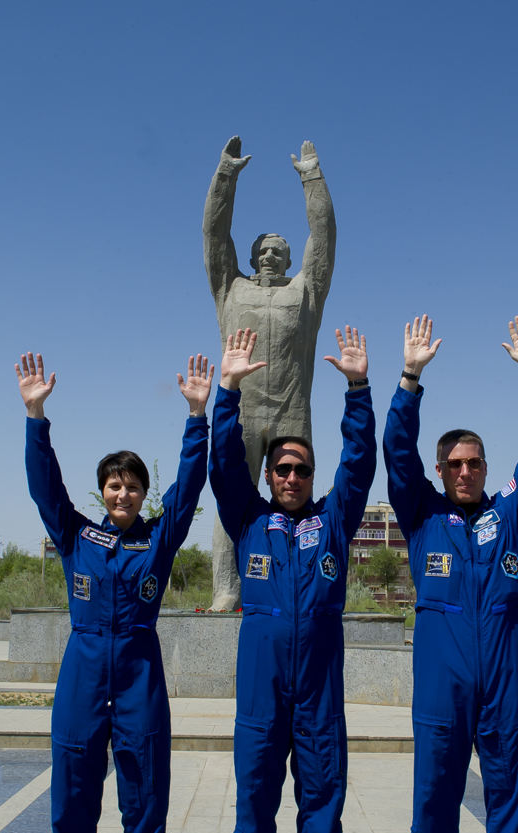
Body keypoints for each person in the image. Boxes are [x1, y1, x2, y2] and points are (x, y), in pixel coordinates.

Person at [15, 351, 213, 833]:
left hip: (139, 679)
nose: (122, 492)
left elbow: (190, 487)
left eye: (132, 485)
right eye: (113, 484)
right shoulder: (76, 534)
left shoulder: (158, 538)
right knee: (72, 805)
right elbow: (45, 487)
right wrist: (36, 417)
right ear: (102, 491)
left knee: (145, 806)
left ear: (143, 494)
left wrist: (197, 416)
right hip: (81, 678)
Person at [383, 315, 518, 833]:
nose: (464, 471)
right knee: (433, 800)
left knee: (515, 796)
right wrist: (409, 378)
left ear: (486, 467)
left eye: (474, 462)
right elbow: (395, 452)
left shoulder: (509, 514)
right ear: (440, 469)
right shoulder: (421, 514)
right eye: (454, 464)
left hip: (505, 692)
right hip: (442, 692)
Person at [208, 326, 376, 833]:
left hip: (318, 697)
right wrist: (228, 392)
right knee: (254, 807)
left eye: (302, 469)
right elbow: (223, 465)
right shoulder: (248, 519)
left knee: (321, 806)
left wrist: (357, 388)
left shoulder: (333, 521)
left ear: (312, 476)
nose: (291, 476)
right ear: (268, 473)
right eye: (281, 468)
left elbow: (360, 462)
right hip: (261, 695)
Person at [203, 136, 336, 610]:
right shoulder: (230, 288)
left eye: (278, 250)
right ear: (251, 255)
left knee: (296, 499)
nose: (268, 255)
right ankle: (227, 587)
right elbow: (214, 236)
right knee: (229, 498)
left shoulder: (305, 292)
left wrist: (312, 177)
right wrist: (226, 176)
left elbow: (323, 238)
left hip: (290, 413)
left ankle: (295, 585)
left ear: (290, 259)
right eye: (262, 249)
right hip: (241, 411)